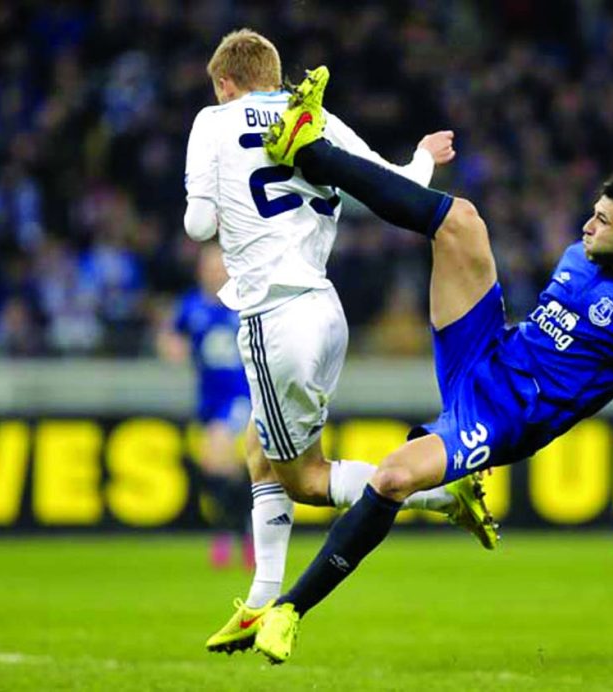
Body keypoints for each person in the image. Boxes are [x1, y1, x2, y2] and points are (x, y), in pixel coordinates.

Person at [249, 67, 613, 664]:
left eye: (604, 221)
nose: (588, 225)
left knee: (394, 478)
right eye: (593, 212)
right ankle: (311, 151)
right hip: (486, 351)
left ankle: (289, 611)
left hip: (504, 415)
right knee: (461, 220)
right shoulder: (583, 254)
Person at [184, 30, 498, 655]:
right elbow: (393, 178)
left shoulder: (211, 121)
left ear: (224, 82)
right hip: (326, 311)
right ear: (274, 74)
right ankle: (257, 601)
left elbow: (199, 225)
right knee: (258, 449)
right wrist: (424, 156)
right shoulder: (315, 116)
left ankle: (439, 492)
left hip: (273, 316)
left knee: (301, 479)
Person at [157, 243, 253, 569]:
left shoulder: (244, 301)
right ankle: (244, 529)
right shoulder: (191, 306)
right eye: (209, 266)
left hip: (241, 397)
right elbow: (170, 335)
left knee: (217, 455)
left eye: (220, 266)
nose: (215, 272)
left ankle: (229, 536)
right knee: (225, 469)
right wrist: (172, 346)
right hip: (209, 399)